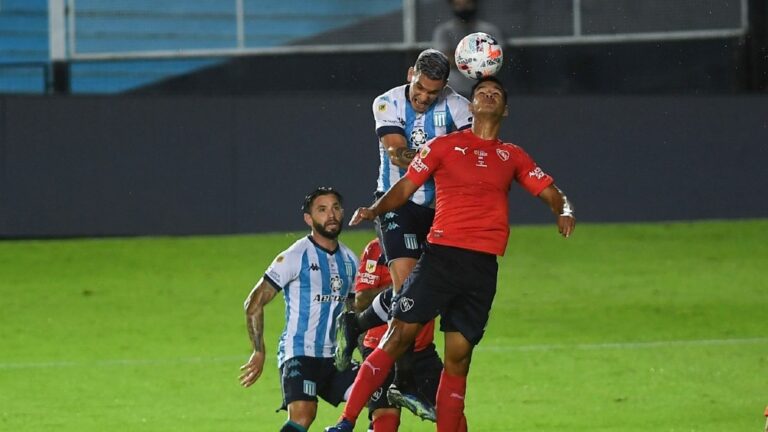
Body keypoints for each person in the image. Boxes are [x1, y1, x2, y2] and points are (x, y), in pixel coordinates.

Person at [325, 76, 576, 432]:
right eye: (481, 93)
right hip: (441, 258)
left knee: (459, 359)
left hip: (481, 268)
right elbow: (406, 186)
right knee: (398, 337)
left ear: (505, 109)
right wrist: (375, 210)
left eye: (495, 94)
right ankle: (345, 421)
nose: (487, 96)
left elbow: (551, 191)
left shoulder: (513, 155)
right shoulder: (443, 147)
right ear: (470, 107)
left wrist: (563, 210)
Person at [336, 48, 472, 417]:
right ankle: (404, 382)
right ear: (410, 73)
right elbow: (396, 152)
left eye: (433, 91)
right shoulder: (387, 102)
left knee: (424, 297)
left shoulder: (459, 107)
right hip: (396, 202)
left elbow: (472, 152)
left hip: (439, 211)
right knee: (408, 288)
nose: (425, 97)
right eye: (420, 88)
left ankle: (356, 324)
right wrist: (442, 157)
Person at [239, 187, 360, 432]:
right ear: (309, 219)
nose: (332, 215)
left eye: (336, 208)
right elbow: (254, 304)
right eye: (322, 210)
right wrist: (258, 350)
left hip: (334, 358)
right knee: (304, 415)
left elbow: (354, 315)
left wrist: (367, 354)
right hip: (299, 353)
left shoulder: (350, 260)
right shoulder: (296, 256)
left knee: (380, 397)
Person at [352, 238, 443, 431]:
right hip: (383, 347)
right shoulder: (376, 248)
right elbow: (361, 300)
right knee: (385, 418)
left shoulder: (432, 245)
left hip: (421, 349)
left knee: (450, 410)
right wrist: (400, 288)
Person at [432, 0, 505, 98]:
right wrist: (480, 57)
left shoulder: (490, 30)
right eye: (458, 5)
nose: (463, 8)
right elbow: (445, 60)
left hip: (485, 91)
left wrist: (460, 57)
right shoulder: (443, 31)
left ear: (475, 3)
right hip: (452, 91)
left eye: (467, 3)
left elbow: (496, 58)